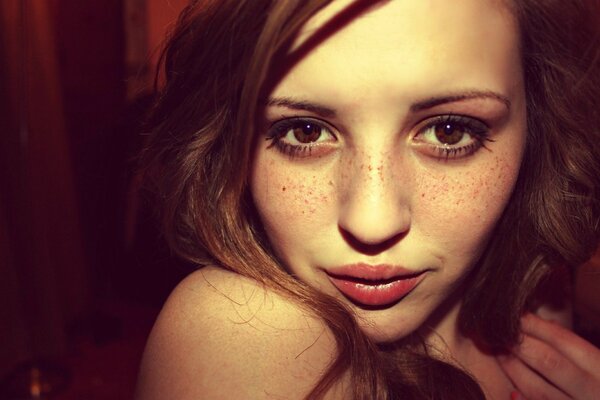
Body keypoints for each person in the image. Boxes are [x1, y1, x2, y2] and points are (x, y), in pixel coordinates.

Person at [134, 0, 600, 398]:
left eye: (449, 131)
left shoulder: (544, 299)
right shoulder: (236, 332)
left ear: (538, 128)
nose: (372, 221)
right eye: (305, 131)